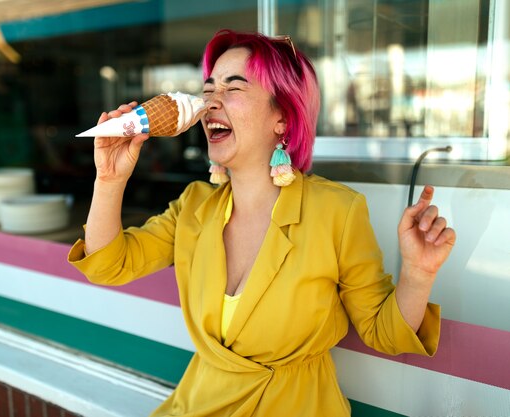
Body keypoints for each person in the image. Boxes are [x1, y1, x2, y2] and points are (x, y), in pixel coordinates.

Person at [68, 29, 456, 417]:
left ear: (283, 118)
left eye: (233, 88)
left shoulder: (337, 210)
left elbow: (384, 334)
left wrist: (418, 273)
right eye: (208, 89)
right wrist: (109, 180)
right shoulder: (193, 207)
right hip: (201, 405)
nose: (209, 103)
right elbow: (107, 266)